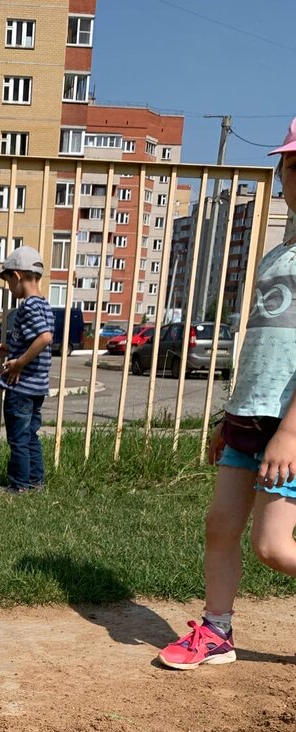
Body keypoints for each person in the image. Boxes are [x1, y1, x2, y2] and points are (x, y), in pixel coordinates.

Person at [159, 118, 296, 669]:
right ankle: (216, 631)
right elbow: (262, 349)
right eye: (293, 164)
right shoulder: (274, 257)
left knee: (273, 546)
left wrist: (289, 431)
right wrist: (229, 417)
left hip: (289, 425)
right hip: (249, 417)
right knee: (221, 524)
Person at [0, 246, 54, 494]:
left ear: (17, 276)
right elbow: (34, 340)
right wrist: (11, 349)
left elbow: (44, 338)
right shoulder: (44, 305)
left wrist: (18, 364)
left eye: (8, 281)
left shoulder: (27, 306)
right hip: (38, 386)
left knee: (18, 438)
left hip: (22, 386)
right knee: (31, 435)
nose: (9, 288)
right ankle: (35, 482)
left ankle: (18, 485)